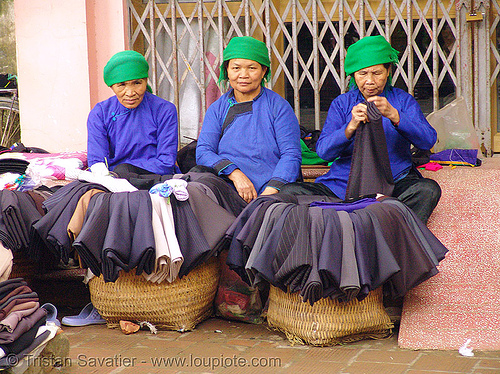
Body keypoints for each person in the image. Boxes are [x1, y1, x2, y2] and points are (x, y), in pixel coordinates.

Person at [314, 35, 441, 224]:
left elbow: (428, 140)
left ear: (388, 71)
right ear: (353, 76)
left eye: (377, 73)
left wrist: (395, 116)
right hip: (345, 183)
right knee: (291, 192)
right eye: (362, 74)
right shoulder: (342, 104)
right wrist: (349, 127)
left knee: (428, 190)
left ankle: (380, 231)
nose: (370, 81)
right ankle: (377, 221)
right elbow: (324, 152)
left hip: (394, 182)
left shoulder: (402, 101)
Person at [195, 36, 302, 203]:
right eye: (236, 68)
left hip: (272, 190)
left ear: (264, 71)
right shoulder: (217, 109)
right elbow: (203, 151)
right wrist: (235, 174)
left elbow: (291, 155)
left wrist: (269, 193)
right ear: (227, 71)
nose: (243, 75)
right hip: (228, 187)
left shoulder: (279, 107)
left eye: (252, 68)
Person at [87, 50, 178, 189]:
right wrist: (108, 175)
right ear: (112, 86)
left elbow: (166, 162)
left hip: (155, 179)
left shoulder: (164, 110)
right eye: (121, 85)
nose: (130, 93)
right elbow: (97, 161)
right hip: (113, 181)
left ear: (146, 81)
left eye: (137, 83)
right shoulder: (100, 113)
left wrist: (126, 170)